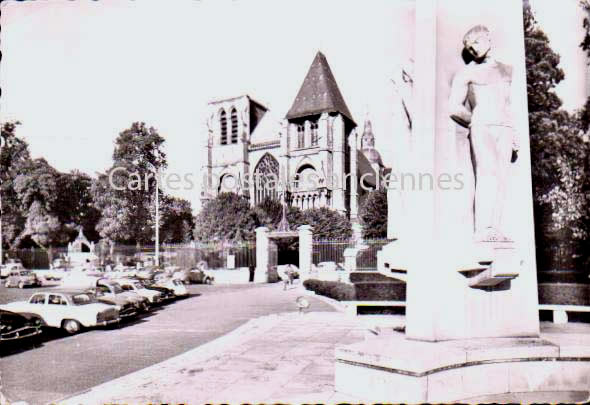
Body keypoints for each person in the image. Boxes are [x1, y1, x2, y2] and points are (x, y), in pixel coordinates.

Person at [449, 25, 519, 242]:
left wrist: (514, 131)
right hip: (482, 126)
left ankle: (495, 228)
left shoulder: (508, 70)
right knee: (487, 174)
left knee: (501, 178)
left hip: (505, 127)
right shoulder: (467, 72)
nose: (474, 50)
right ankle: (483, 229)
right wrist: (476, 120)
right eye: (470, 48)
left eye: (476, 43)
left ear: (488, 38)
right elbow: (454, 107)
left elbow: (510, 104)